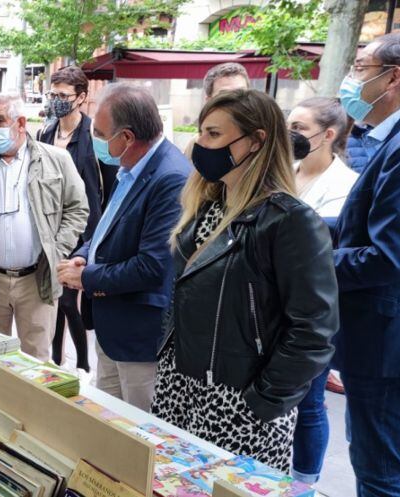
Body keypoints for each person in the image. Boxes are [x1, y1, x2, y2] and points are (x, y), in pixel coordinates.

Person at [151, 89, 339, 472]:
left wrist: (264, 401)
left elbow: (314, 330)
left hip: (240, 404)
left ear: (257, 141)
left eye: (214, 135)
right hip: (180, 388)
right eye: (202, 133)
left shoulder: (289, 220)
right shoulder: (206, 205)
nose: (200, 145)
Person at [332, 29, 400, 497]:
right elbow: (372, 223)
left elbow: (392, 257)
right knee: (377, 462)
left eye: (360, 69)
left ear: (393, 77)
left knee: (381, 474)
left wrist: (310, 262)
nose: (351, 81)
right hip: (392, 335)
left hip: (390, 341)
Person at [55, 83, 190, 411]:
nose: (95, 140)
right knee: (110, 424)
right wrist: (82, 256)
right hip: (113, 327)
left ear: (127, 137)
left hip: (140, 337)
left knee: (140, 432)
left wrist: (85, 278)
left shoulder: (169, 177)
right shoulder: (133, 164)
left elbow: (152, 266)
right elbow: (109, 227)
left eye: (100, 134)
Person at [0, 92, 88, 361]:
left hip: (37, 280)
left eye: (0, 121)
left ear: (20, 123)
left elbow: (77, 209)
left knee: (36, 362)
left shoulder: (56, 160)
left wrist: (56, 249)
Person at [285, 96, 358, 484]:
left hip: (311, 309)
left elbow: (319, 249)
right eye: (289, 125)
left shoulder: (344, 185)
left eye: (299, 128)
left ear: (328, 135)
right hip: (270, 304)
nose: (290, 135)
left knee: (310, 402)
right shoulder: (285, 171)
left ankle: (305, 483)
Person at [37, 66, 112, 372]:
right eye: (52, 94)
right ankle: (56, 361)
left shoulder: (95, 135)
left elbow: (110, 186)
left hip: (81, 234)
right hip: (50, 230)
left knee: (68, 302)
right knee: (52, 303)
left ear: (81, 97)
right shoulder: (46, 131)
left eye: (63, 95)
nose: (57, 101)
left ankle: (82, 365)